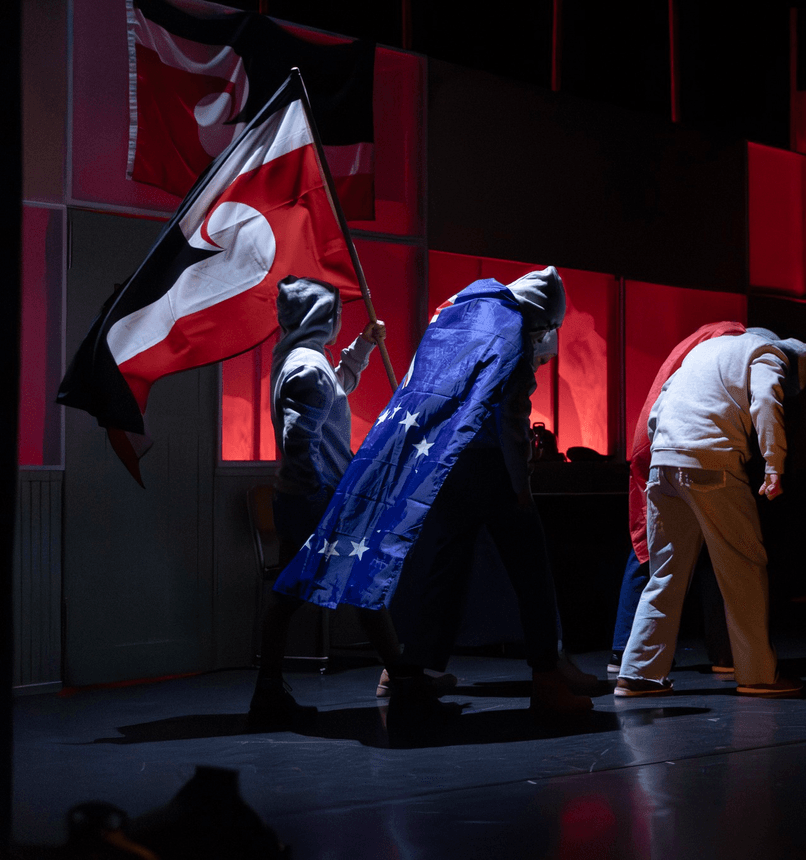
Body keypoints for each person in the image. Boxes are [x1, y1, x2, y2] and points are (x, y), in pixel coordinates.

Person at [273, 267, 592, 717]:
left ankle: (411, 669)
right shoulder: (511, 329)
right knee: (530, 568)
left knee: (447, 568)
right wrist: (522, 487)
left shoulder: (462, 313)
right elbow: (512, 417)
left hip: (446, 462)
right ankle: (546, 676)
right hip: (487, 465)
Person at [249, 275, 425, 730]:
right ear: (320, 317)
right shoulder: (307, 367)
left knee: (323, 590)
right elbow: (298, 439)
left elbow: (335, 386)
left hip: (307, 497)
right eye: (335, 313)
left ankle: (270, 692)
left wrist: (361, 348)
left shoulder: (297, 357)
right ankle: (403, 679)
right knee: (339, 589)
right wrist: (319, 498)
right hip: (316, 499)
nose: (340, 319)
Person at [615, 328, 806, 697]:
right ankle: (758, 675)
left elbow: (660, 403)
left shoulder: (706, 350)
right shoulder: (767, 354)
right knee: (743, 569)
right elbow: (767, 401)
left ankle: (638, 674)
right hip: (711, 464)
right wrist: (774, 464)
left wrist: (664, 453)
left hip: (664, 462)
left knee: (665, 573)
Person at [608, 321, 744, 676]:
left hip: (665, 447)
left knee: (665, 552)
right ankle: (628, 651)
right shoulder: (719, 351)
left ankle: (719, 652)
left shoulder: (693, 352)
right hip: (673, 450)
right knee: (654, 552)